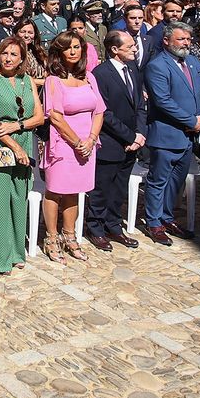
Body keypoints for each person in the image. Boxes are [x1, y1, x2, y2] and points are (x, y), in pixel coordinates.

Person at [0, 37, 45, 273]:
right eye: (5, 53)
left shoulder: (27, 81)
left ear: (22, 59)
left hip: (23, 139)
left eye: (14, 55)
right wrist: (13, 147)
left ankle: (17, 251)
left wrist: (18, 127)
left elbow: (39, 117)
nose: (8, 58)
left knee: (19, 197)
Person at [39, 32, 105, 262]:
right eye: (68, 48)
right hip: (63, 144)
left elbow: (99, 111)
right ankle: (52, 237)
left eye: (77, 47)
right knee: (56, 190)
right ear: (59, 52)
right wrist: (76, 142)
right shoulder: (53, 80)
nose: (73, 51)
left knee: (74, 192)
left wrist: (91, 139)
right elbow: (55, 117)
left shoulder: (89, 78)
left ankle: (70, 236)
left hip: (88, 143)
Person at [142, 23, 200, 245]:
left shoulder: (192, 62)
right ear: (167, 40)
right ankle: (154, 222)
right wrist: (191, 121)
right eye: (181, 39)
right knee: (159, 180)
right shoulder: (157, 66)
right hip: (167, 134)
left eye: (189, 39)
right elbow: (162, 101)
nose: (186, 43)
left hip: (189, 135)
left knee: (176, 182)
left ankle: (167, 216)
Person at [85, 30, 147, 250]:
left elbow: (139, 104)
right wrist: (129, 136)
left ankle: (113, 225)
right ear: (114, 49)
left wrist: (139, 134)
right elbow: (105, 112)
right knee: (102, 188)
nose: (135, 49)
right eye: (129, 46)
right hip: (111, 141)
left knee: (119, 188)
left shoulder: (133, 69)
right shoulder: (100, 74)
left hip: (132, 142)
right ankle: (96, 228)